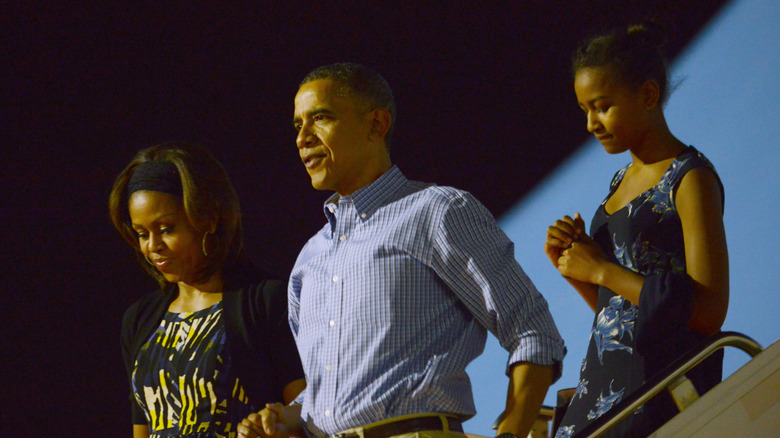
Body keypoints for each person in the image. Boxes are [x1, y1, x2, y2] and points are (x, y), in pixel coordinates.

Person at [238, 63, 565, 438]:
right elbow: (331, 392)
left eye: (320, 118)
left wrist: (511, 431)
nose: (303, 138)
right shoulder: (309, 261)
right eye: (298, 125)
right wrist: (287, 418)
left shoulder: (437, 211)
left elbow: (532, 330)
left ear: (376, 125)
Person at [545, 23, 729, 437]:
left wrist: (601, 270)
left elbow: (709, 311)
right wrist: (576, 269)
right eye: (585, 110)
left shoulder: (689, 177)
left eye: (603, 106)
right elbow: (623, 312)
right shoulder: (618, 183)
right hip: (604, 390)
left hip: (656, 390)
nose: (592, 122)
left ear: (647, 95)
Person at [110, 142, 306, 438]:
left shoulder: (266, 302)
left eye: (166, 229)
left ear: (209, 219)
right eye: (141, 234)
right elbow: (143, 428)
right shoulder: (139, 320)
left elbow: (308, 416)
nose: (152, 246)